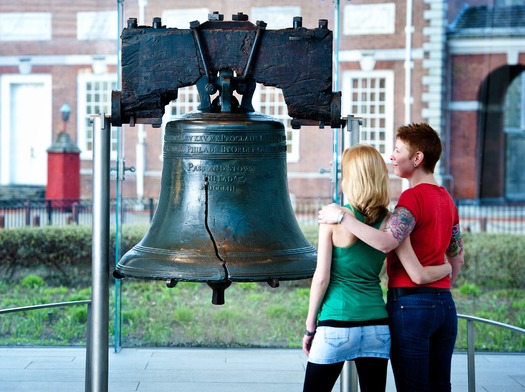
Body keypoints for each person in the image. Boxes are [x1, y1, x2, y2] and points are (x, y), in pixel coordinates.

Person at [318, 123, 465, 392]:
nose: (392, 157)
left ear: (417, 158)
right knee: (441, 385)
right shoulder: (448, 200)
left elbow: (387, 242)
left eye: (398, 151)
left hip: (411, 307)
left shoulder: (410, 199)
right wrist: (441, 281)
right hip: (445, 306)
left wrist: (341, 217)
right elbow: (457, 260)